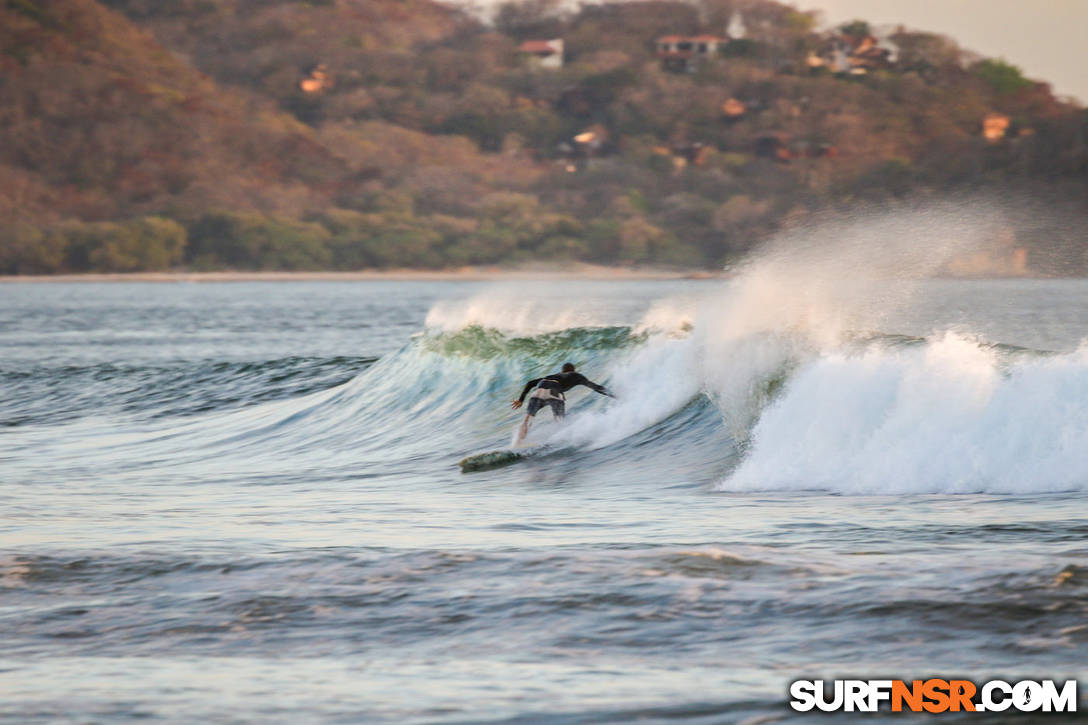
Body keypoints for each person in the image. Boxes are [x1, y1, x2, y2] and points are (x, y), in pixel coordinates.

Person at [511, 362, 613, 444]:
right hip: (554, 390)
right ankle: (559, 443)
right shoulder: (575, 375)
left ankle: (517, 444)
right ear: (573, 370)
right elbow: (597, 387)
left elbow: (530, 383)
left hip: (538, 390)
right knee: (560, 421)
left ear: (562, 371)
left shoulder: (552, 375)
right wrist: (614, 395)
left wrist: (521, 400)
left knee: (528, 419)